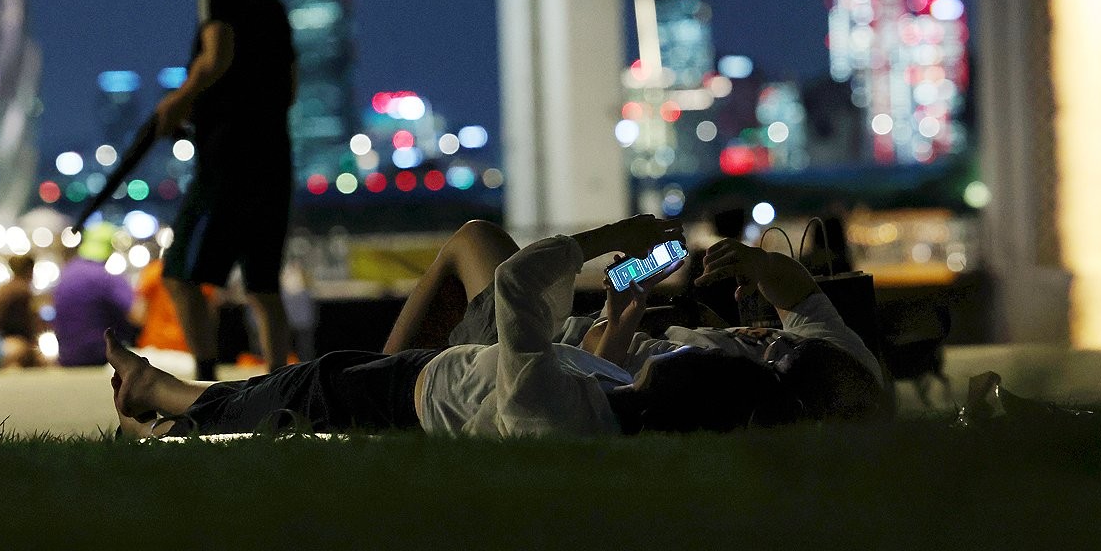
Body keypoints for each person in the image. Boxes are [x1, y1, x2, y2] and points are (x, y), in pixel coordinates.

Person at [107, 215, 884, 439]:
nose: (763, 332)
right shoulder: (831, 366)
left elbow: (600, 380)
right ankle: (369, 389)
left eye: (768, 342)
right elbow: (802, 294)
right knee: (468, 249)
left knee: (470, 256)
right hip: (564, 353)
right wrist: (746, 259)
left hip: (531, 361)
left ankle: (175, 398)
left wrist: (613, 238)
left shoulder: (729, 391)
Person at [156, 0, 295, 382]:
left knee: (179, 274)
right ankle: (284, 387)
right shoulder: (274, 7)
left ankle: (204, 381)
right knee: (264, 287)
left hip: (226, 162)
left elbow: (216, 57)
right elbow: (290, 86)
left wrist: (180, 101)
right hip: (273, 159)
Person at [53, 223, 134, 367]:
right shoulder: (105, 277)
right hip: (99, 356)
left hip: (67, 356)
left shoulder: (67, 273)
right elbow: (136, 314)